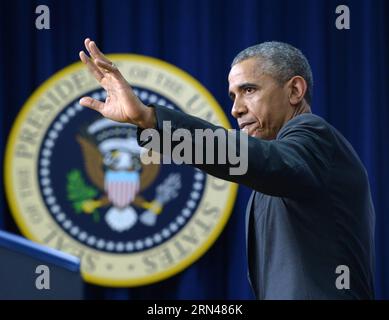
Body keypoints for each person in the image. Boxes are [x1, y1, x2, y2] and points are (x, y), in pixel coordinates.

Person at [79, 38, 375, 299]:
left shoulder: (312, 136)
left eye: (249, 90)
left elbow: (251, 158)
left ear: (295, 90)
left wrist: (149, 119)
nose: (236, 109)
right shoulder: (279, 171)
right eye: (233, 96)